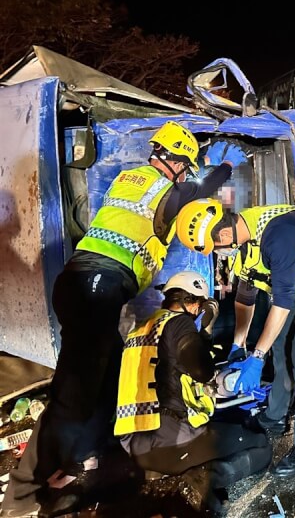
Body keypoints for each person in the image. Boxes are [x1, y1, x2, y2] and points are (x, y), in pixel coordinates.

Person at [1, 122, 248, 518]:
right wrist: (223, 171)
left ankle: (79, 462)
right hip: (97, 286)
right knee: (76, 392)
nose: (187, 174)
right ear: (175, 162)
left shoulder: (130, 180)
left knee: (103, 375)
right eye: (186, 166)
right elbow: (194, 194)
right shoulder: (168, 188)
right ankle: (39, 490)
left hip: (79, 282)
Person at [175, 200, 295, 478]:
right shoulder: (242, 242)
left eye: (216, 248)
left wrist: (256, 358)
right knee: (280, 346)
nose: (220, 253)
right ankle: (275, 416)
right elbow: (245, 298)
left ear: (223, 236)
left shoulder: (279, 234)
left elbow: (282, 304)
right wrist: (240, 345)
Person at [115, 271, 271, 514]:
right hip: (168, 442)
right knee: (261, 445)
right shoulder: (180, 323)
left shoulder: (139, 330)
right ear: (193, 302)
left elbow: (172, 365)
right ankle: (203, 480)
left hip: (133, 448)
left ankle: (167, 472)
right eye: (200, 306)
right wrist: (206, 328)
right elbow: (201, 369)